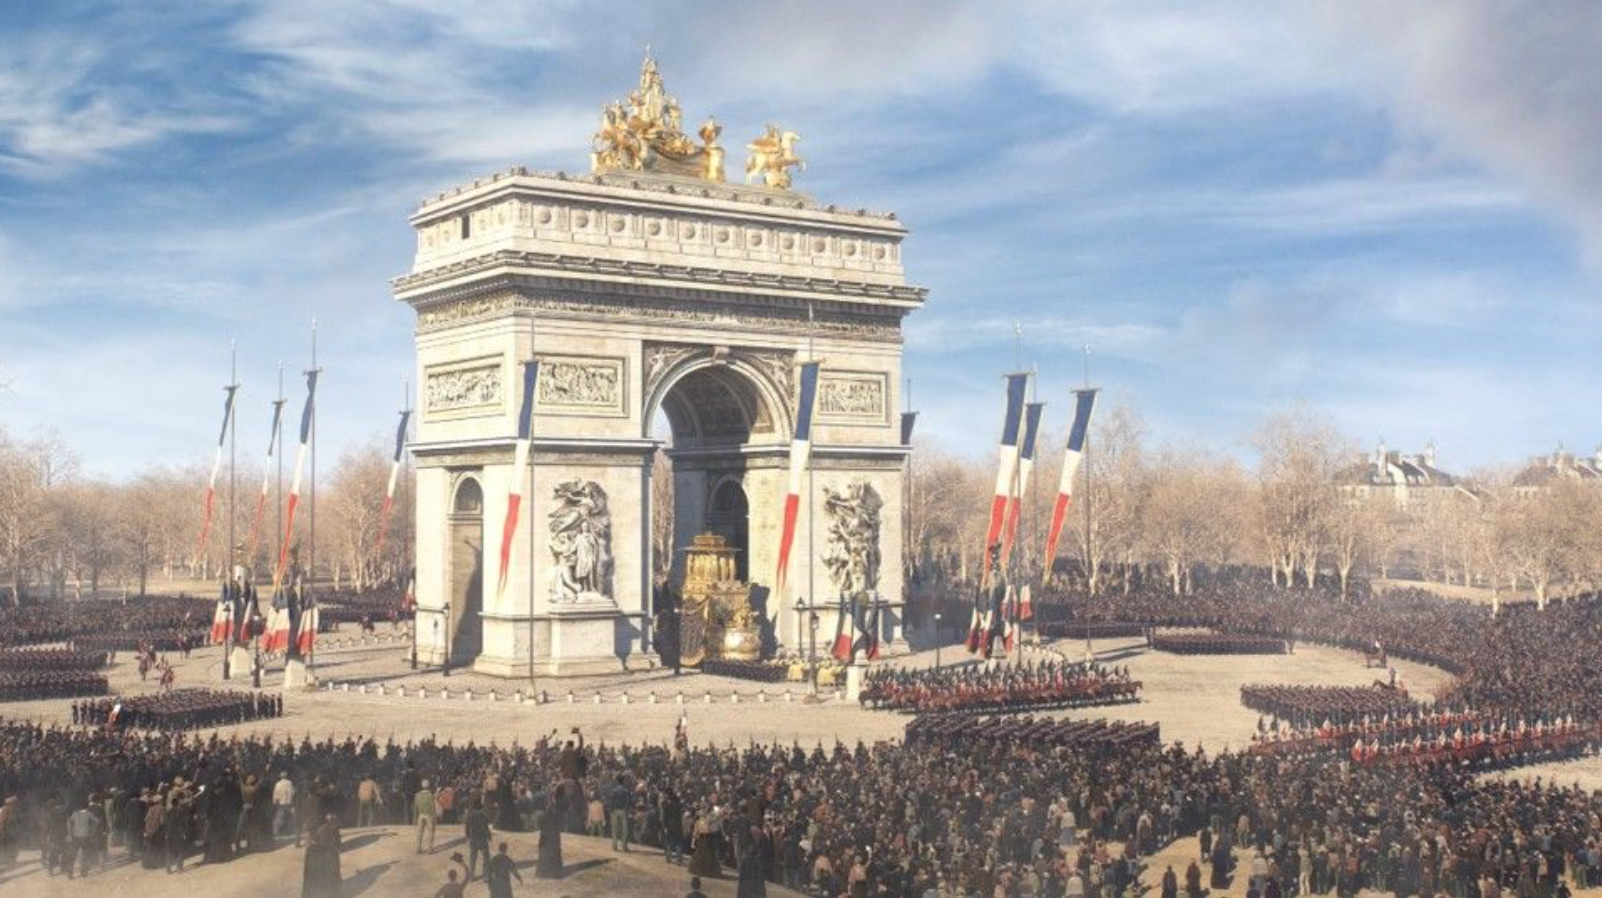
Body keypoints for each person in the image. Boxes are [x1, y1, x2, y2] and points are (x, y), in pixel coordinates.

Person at [302, 813, 341, 898]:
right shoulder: (333, 828)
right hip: (326, 849)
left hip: (321, 847)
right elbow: (338, 843)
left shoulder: (322, 827)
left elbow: (314, 838)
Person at [67, 798, 103, 879]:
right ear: (86, 806)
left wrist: (70, 833)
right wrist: (92, 830)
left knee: (73, 855)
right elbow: (97, 821)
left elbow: (69, 822)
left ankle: (70, 873)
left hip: (76, 837)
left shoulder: (75, 813)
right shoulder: (89, 813)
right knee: (85, 855)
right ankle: (83, 873)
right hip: (85, 837)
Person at [537, 786, 564, 878]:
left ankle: (546, 872)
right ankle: (552, 872)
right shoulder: (553, 807)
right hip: (552, 834)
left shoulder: (550, 808)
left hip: (547, 834)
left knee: (546, 852)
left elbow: (543, 822)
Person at [464, 800, 491, 880]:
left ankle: (471, 876)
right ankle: (485, 876)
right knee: (486, 857)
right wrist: (489, 836)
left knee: (473, 858)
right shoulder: (484, 815)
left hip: (473, 839)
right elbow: (486, 827)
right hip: (482, 839)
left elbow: (467, 828)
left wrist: (468, 837)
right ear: (481, 807)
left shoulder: (469, 816)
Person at [414, 779, 437, 854]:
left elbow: (415, 807)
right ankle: (430, 849)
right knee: (430, 832)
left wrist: (414, 817)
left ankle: (418, 848)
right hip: (428, 815)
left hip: (420, 814)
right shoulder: (430, 795)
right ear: (428, 786)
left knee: (419, 832)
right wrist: (434, 816)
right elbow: (432, 807)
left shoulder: (417, 795)